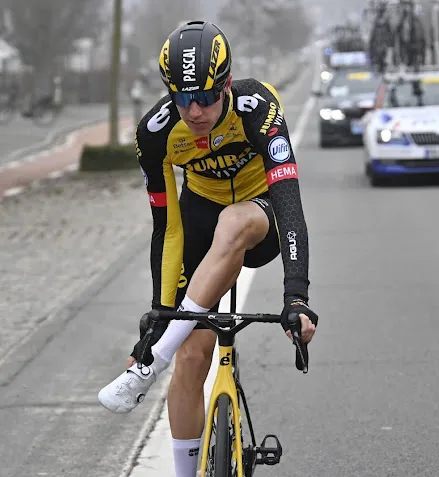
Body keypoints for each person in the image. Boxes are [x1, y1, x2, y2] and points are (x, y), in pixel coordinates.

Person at [97, 21, 319, 477]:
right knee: (191, 358)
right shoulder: (155, 133)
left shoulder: (260, 108)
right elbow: (167, 229)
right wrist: (161, 312)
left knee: (234, 220)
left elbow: (291, 207)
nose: (194, 110)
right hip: (200, 219)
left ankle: (147, 366)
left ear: (227, 85)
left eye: (205, 97)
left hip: (261, 217)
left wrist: (296, 295)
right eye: (181, 98)